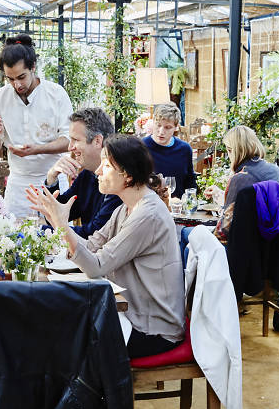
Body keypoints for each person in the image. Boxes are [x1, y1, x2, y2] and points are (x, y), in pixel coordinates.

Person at [27, 135, 185, 358]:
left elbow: (97, 266)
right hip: (131, 314)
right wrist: (58, 223)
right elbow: (91, 246)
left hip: (152, 329)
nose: (98, 171)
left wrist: (62, 225)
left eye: (107, 165)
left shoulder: (147, 214)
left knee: (66, 341)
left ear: (127, 176)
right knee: (59, 329)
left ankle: (87, 393)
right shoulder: (126, 207)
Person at [0, 34, 72, 217]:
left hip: (53, 181)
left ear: (33, 67)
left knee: (59, 240)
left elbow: (68, 140)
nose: (17, 84)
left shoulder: (56, 94)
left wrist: (37, 149)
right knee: (14, 239)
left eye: (21, 77)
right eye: (10, 79)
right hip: (18, 185)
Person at [36, 108, 121, 238]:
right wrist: (51, 178)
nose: (70, 147)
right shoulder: (87, 175)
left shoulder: (118, 180)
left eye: (75, 140)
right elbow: (60, 215)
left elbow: (95, 233)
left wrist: (40, 231)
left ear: (97, 141)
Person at [205, 125, 279, 208]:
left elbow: (228, 217)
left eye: (228, 151)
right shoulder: (275, 170)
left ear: (232, 150)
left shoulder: (241, 177)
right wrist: (218, 194)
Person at [142, 103, 197, 198]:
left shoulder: (184, 149)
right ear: (153, 122)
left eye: (167, 127)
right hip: (147, 206)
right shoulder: (140, 147)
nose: (161, 131)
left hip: (177, 208)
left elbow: (190, 182)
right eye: (158, 125)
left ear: (176, 127)